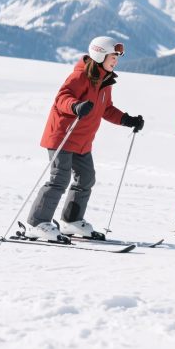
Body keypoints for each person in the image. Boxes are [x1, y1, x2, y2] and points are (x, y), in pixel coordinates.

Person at [27, 36, 145, 240]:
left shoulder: (104, 81)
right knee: (59, 179)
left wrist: (127, 119)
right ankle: (37, 223)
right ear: (100, 54)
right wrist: (75, 105)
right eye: (112, 56)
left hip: (82, 142)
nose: (115, 61)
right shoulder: (80, 77)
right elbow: (62, 98)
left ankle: (71, 221)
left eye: (117, 58)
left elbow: (106, 109)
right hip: (63, 136)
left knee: (87, 179)